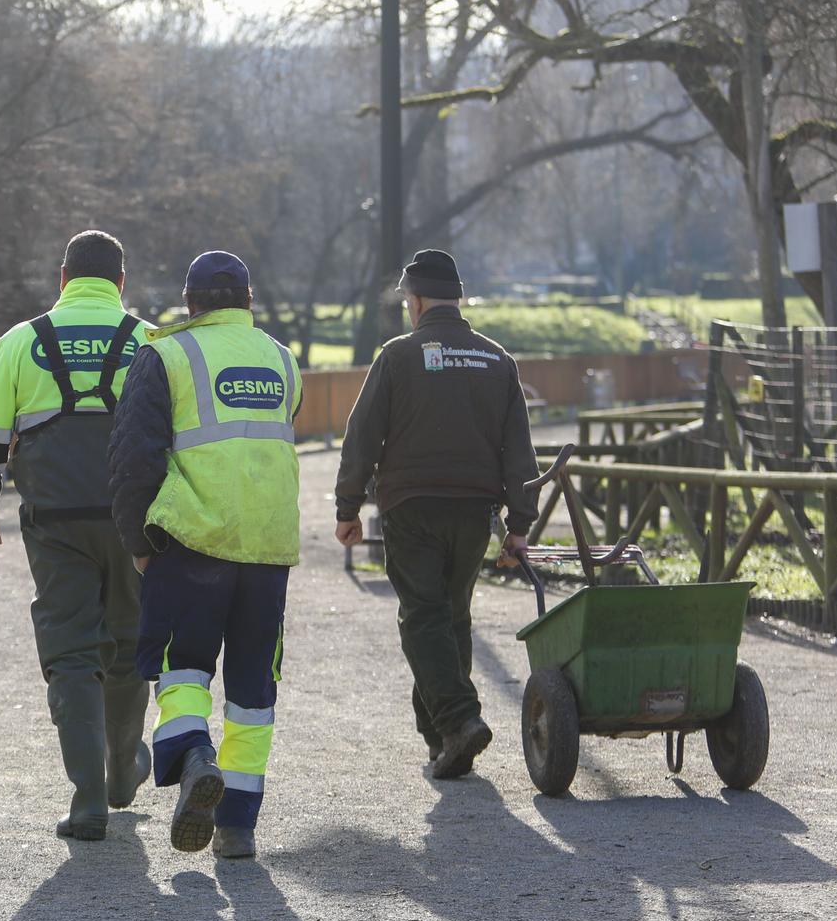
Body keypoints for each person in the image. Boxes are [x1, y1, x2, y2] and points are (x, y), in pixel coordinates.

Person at [108, 251, 301, 861]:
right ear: (249, 299)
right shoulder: (281, 359)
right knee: (253, 684)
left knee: (181, 664)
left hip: (190, 542)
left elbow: (134, 462)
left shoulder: (165, 355)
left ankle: (193, 756)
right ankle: (238, 825)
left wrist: (139, 544)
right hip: (268, 549)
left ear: (189, 302)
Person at [0, 230, 152, 841]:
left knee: (71, 651)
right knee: (127, 642)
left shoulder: (22, 341)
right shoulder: (150, 341)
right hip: (135, 522)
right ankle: (124, 769)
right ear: (120, 283)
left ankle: (89, 800)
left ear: (62, 276)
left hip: (56, 519)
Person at [332, 249, 539, 780]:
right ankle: (443, 740)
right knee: (453, 615)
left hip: (411, 505)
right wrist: (518, 527)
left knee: (423, 616)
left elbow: (362, 436)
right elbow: (520, 452)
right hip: (474, 511)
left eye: (406, 301)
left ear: (416, 301)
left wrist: (348, 506)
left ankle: (459, 719)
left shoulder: (398, 356)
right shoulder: (498, 360)